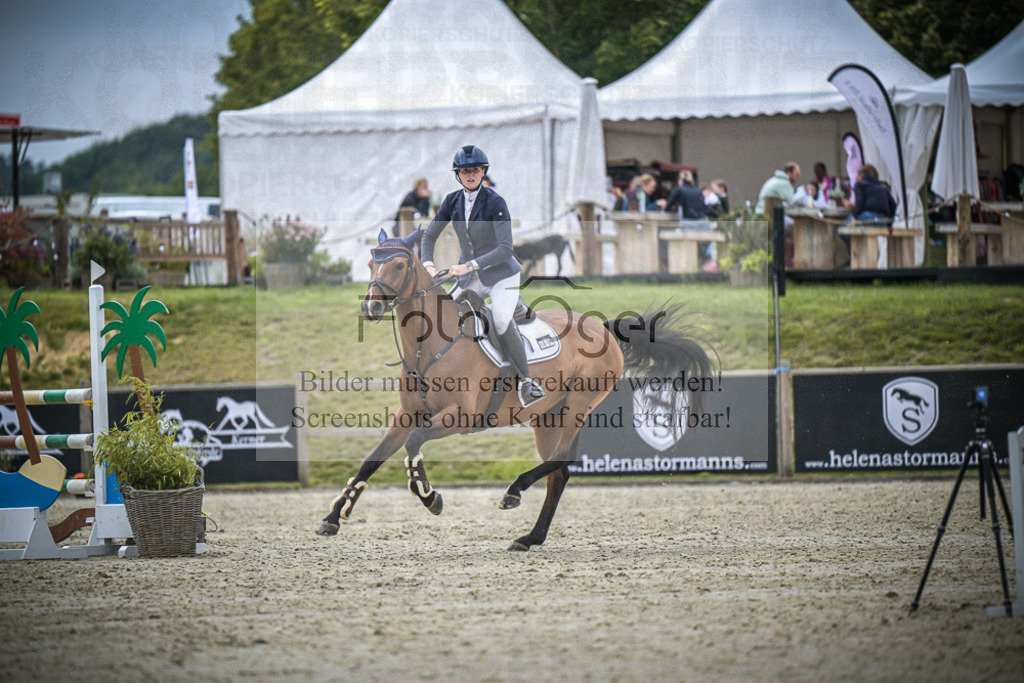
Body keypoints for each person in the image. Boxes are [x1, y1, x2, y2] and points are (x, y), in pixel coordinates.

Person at [421, 145, 546, 408]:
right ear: (458, 174)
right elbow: (429, 235)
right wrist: (428, 264)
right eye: (465, 171)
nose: (470, 175)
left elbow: (505, 249)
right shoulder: (451, 201)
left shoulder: (495, 202)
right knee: (443, 313)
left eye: (475, 170)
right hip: (471, 278)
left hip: (501, 274)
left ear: (483, 172)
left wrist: (469, 266)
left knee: (500, 320)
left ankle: (526, 381)